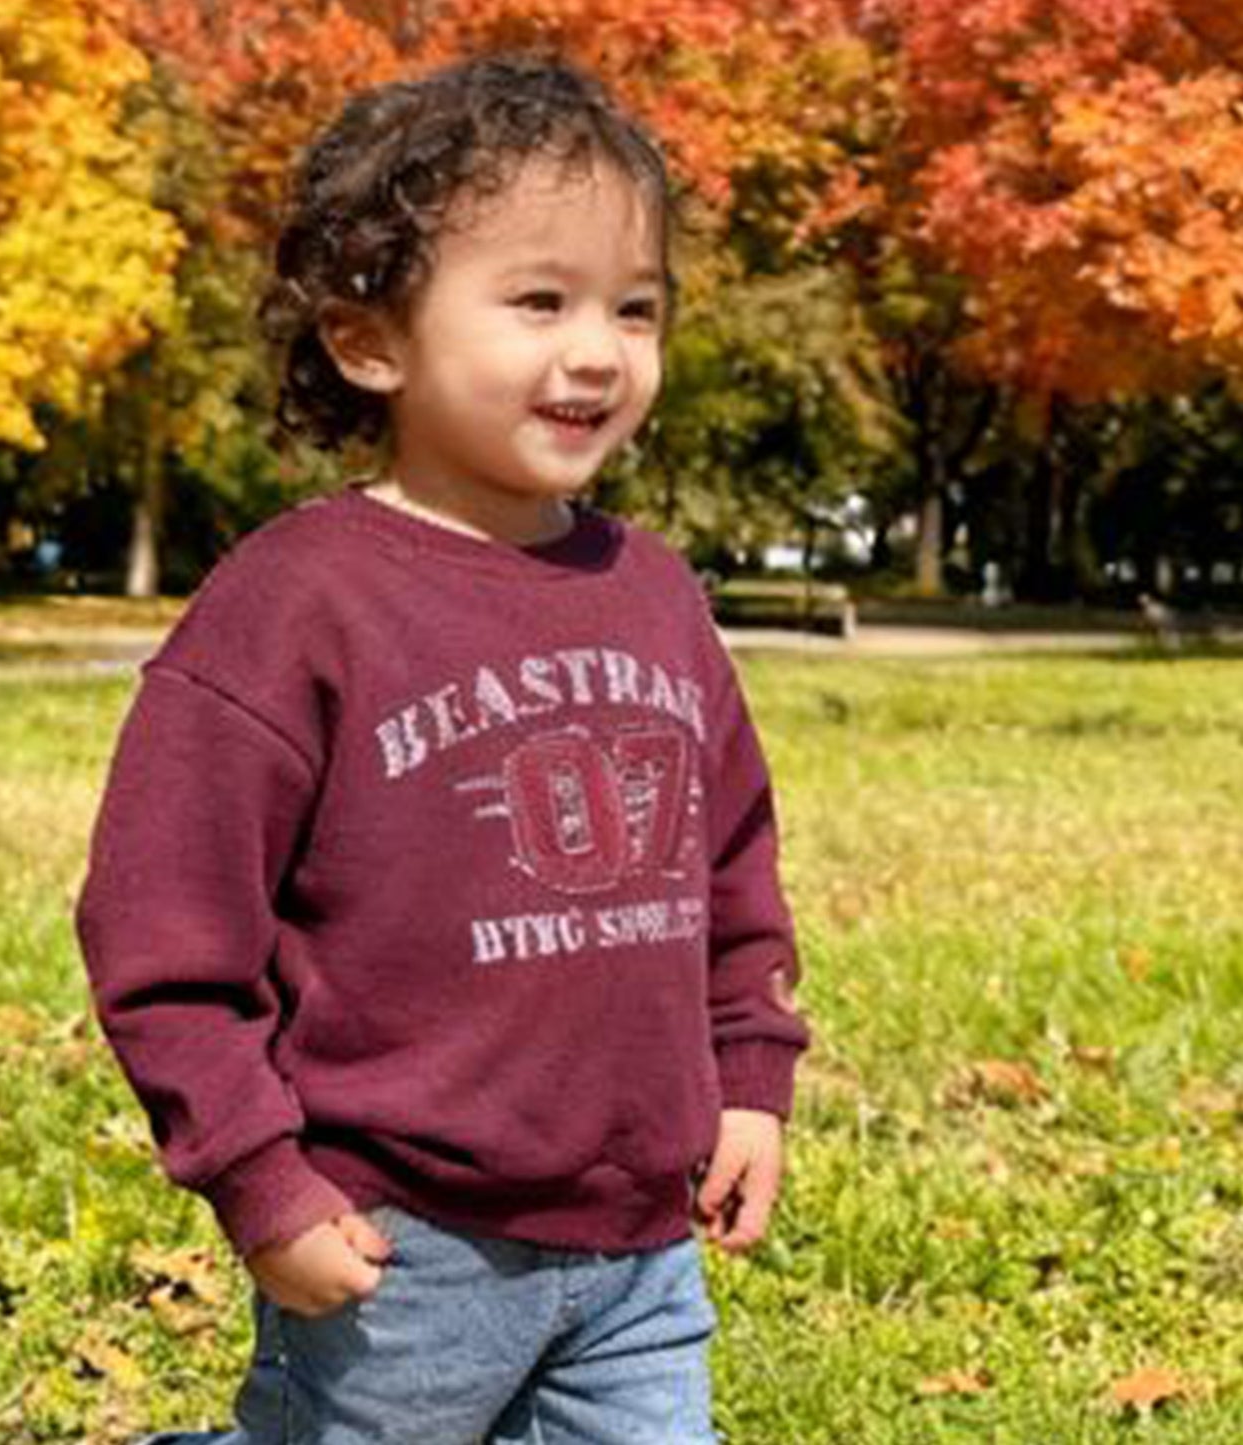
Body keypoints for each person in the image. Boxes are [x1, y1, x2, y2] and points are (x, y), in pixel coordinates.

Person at [76, 52, 809, 1445]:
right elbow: (161, 922)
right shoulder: (297, 603)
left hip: (637, 1248)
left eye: (633, 308)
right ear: (370, 342)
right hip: (395, 1245)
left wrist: (748, 1079)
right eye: (539, 300)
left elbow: (732, 865)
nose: (597, 349)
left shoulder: (655, 593)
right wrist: (256, 1175)